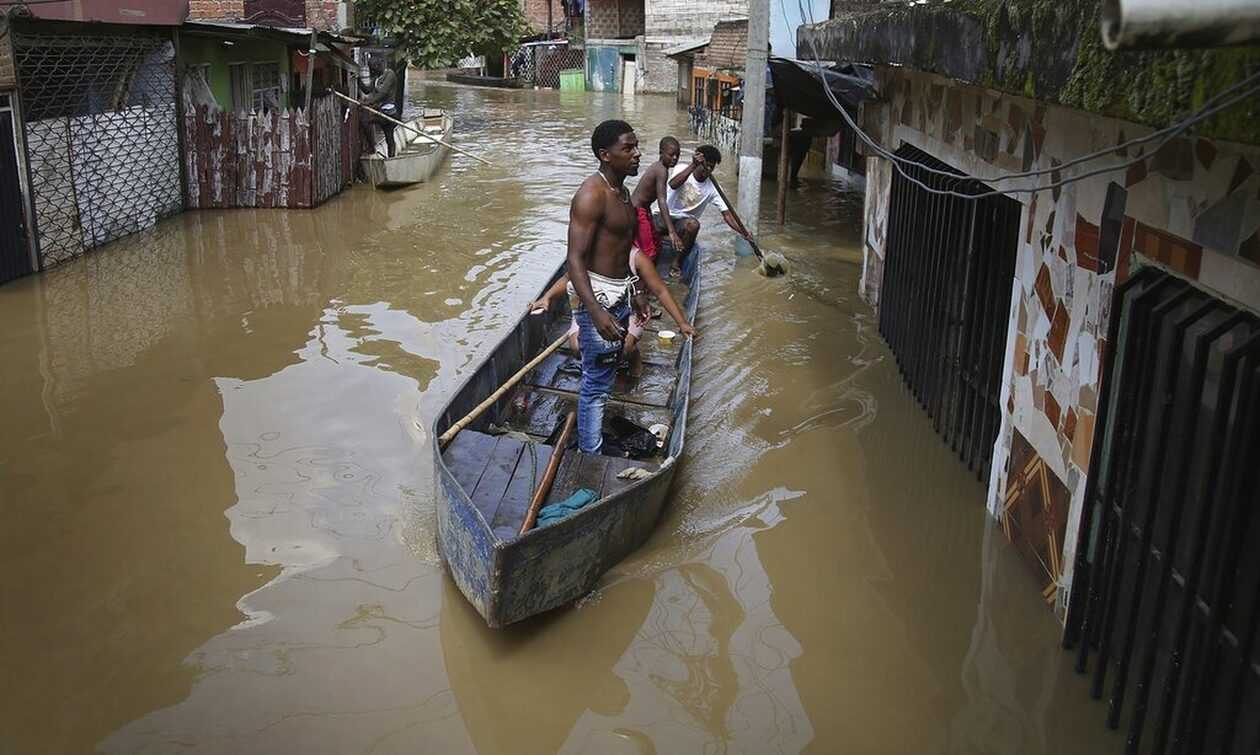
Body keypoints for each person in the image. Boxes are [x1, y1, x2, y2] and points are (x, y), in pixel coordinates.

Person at [567, 120, 695, 454]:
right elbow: (575, 260)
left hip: (620, 292)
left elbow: (622, 250)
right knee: (595, 385)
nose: (637, 154)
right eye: (628, 148)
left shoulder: (623, 193)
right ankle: (590, 454)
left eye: (637, 146)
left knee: (606, 372)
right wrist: (595, 312)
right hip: (597, 297)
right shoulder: (591, 196)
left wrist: (636, 290)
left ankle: (592, 439)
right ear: (605, 155)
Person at [659, 144, 753, 277]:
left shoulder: (714, 188)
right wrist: (692, 165)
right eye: (705, 165)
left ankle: (676, 263)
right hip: (663, 217)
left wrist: (743, 232)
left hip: (683, 225)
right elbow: (673, 184)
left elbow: (727, 215)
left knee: (694, 225)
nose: (708, 169)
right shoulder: (682, 168)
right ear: (698, 162)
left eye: (711, 167)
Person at [629, 136, 684, 259]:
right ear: (661, 153)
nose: (675, 158)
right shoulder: (661, 170)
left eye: (677, 155)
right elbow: (662, 200)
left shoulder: (660, 168)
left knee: (657, 244)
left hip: (645, 210)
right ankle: (644, 276)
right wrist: (672, 231)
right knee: (649, 251)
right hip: (637, 211)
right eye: (671, 155)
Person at [359, 58, 399, 157]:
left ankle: (374, 149)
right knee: (388, 137)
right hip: (381, 112)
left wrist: (368, 102)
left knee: (366, 122)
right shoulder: (377, 78)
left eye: (374, 68)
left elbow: (383, 93)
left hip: (390, 112)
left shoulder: (390, 74)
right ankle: (380, 151)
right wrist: (358, 80)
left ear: (379, 66)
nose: (373, 71)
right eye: (371, 69)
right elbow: (367, 90)